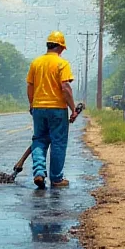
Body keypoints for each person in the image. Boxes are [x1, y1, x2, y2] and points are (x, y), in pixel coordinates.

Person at [26, 31, 79, 189]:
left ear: (48, 45)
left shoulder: (36, 63)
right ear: (61, 47)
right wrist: (73, 109)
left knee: (39, 140)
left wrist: (32, 104)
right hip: (57, 109)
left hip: (39, 108)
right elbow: (65, 88)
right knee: (58, 143)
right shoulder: (62, 64)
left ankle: (39, 173)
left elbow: (30, 86)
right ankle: (56, 179)